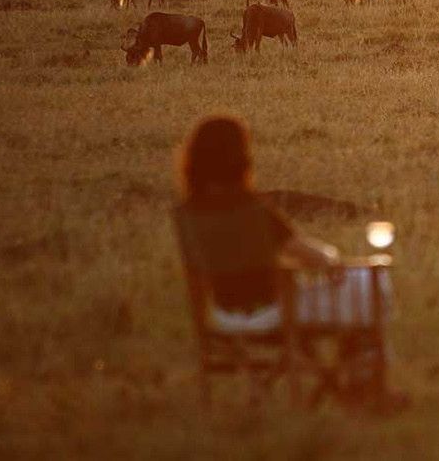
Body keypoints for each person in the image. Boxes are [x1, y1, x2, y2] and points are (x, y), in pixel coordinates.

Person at [173, 116, 404, 409]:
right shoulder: (252, 211)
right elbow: (308, 255)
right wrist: (331, 258)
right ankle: (366, 384)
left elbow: (195, 278)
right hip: (276, 312)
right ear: (241, 160)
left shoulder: (188, 215)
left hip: (224, 316)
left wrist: (204, 326)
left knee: (361, 294)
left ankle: (355, 381)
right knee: (371, 281)